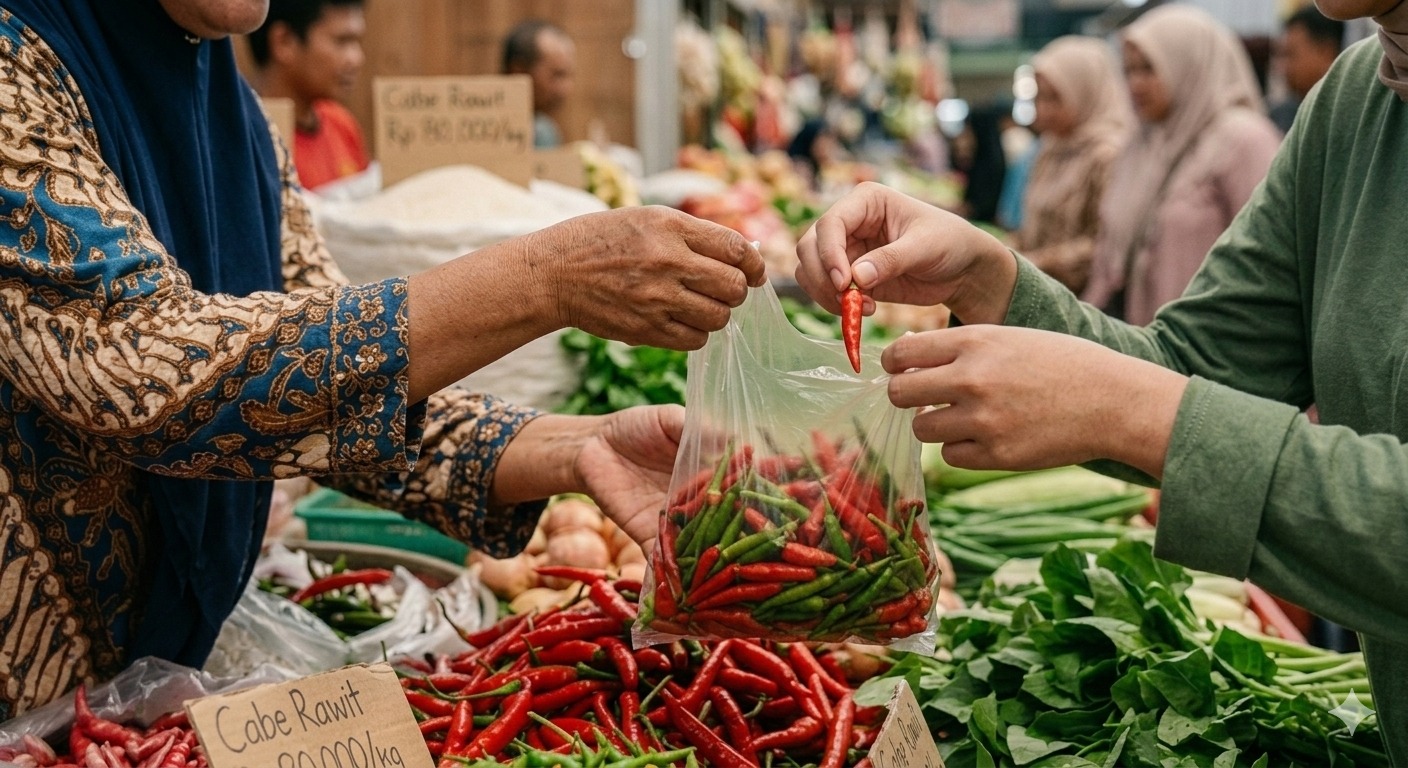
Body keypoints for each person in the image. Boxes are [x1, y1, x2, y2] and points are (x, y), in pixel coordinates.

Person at [0, 0, 765, 719]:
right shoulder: (14, 66)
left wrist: (574, 447)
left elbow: (329, 386)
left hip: (136, 694)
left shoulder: (235, 116)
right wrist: (545, 279)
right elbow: (142, 366)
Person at [793, 0, 1408, 758]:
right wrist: (987, 280)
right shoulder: (1357, 98)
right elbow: (1206, 364)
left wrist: (1139, 413)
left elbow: (1169, 400)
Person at [1081, 5, 1281, 326]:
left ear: (1189, 64)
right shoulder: (1142, 143)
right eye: (1129, 70)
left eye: (1149, 69)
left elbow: (1270, 256)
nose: (1135, 84)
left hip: (1211, 342)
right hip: (1141, 339)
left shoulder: (1243, 139)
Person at [1012, 36, 1131, 293]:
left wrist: (1037, 263)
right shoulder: (1050, 150)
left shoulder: (1108, 155)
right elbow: (1034, 226)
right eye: (1038, 98)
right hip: (1040, 291)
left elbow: (1107, 243)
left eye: (1055, 98)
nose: (1043, 110)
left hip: (1085, 302)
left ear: (1085, 92)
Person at [246, 0, 371, 191]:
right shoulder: (245, 139)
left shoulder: (342, 125)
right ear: (284, 42)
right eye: (342, 41)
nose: (356, 59)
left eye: (357, 42)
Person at [1270, 6, 1346, 133]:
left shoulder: (1352, 114)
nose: (1281, 67)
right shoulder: (1280, 117)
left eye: (1290, 54)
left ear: (1325, 52)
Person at [502, 19, 575, 149]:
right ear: (519, 72)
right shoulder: (487, 133)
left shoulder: (546, 131)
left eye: (569, 75)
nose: (566, 88)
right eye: (557, 75)